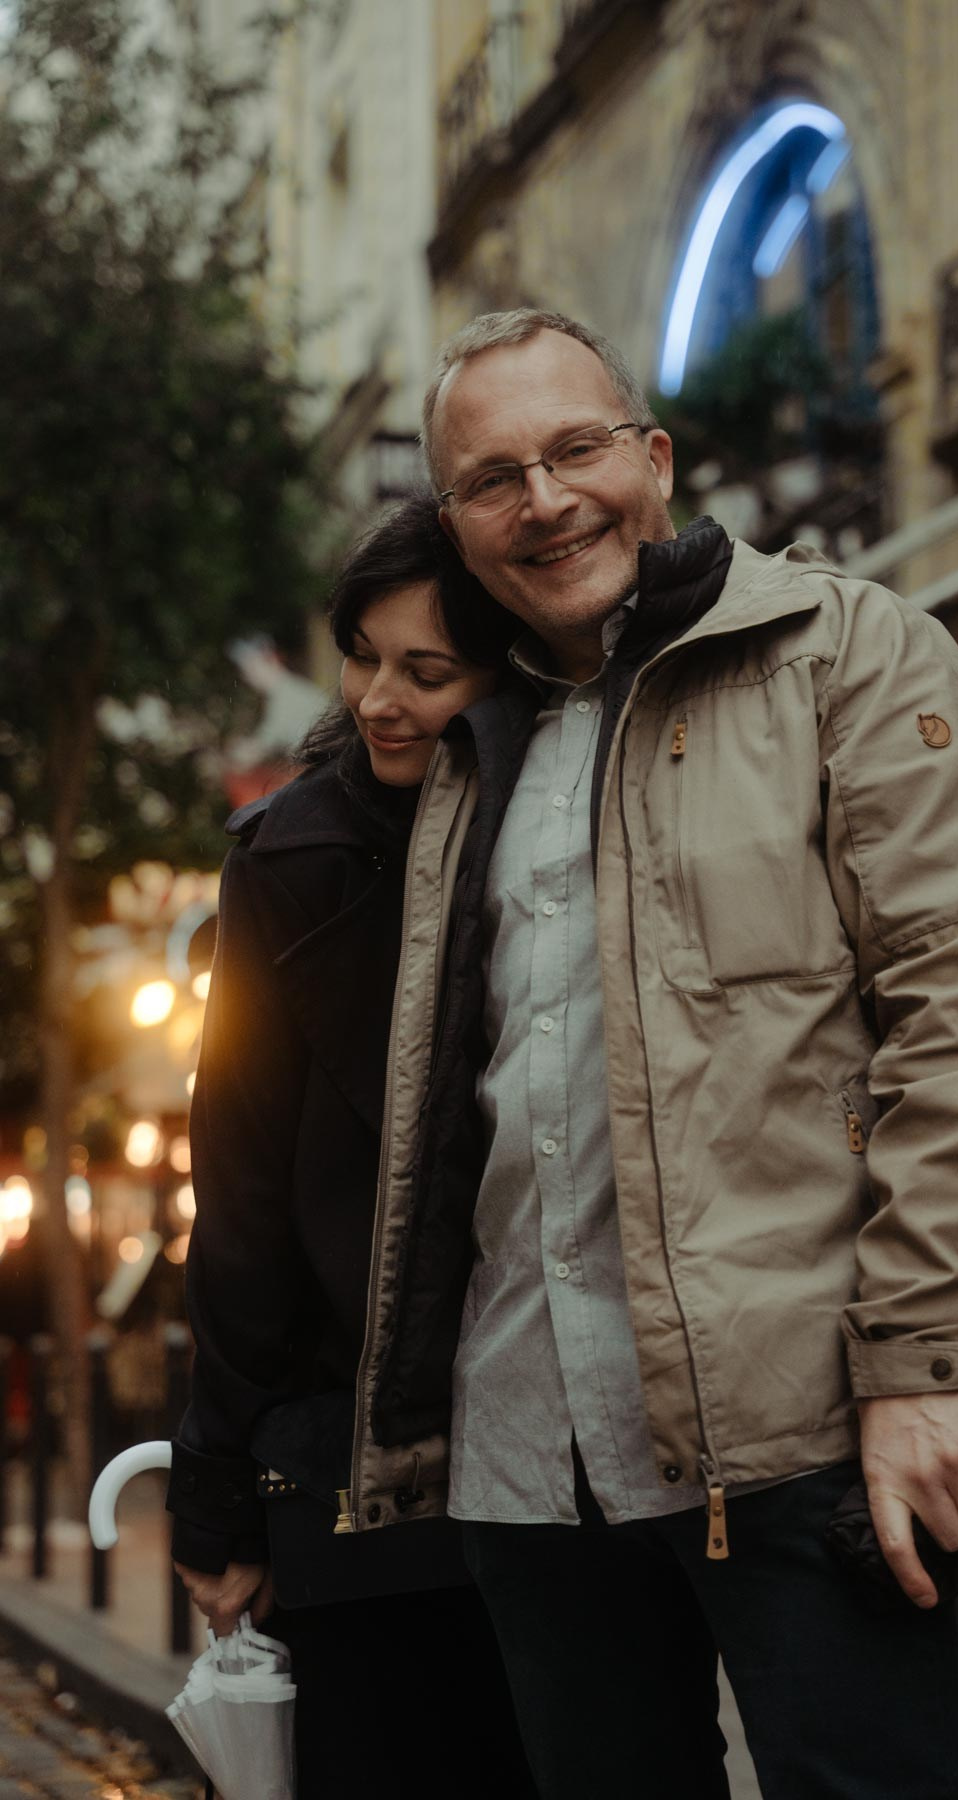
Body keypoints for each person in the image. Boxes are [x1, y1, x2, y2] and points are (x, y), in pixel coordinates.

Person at [337, 308, 958, 1800]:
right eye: (492, 479)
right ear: (455, 524)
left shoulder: (844, 651)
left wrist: (924, 1362)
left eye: (577, 450)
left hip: (807, 1425)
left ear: (655, 461)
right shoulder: (477, 745)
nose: (544, 501)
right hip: (531, 1448)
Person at [165, 493, 533, 1797]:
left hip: (557, 1450)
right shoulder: (287, 861)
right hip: (349, 1461)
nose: (380, 697)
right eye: (362, 655)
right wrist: (214, 1490)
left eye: (426, 672)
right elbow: (245, 1189)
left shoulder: (569, 835)